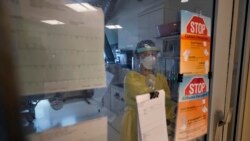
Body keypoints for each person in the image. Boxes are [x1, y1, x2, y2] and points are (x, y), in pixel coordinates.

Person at [121, 40, 176, 141]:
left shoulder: (161, 78)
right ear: (138, 57)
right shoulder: (131, 77)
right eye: (145, 55)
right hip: (134, 120)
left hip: (154, 120)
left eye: (153, 54)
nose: (151, 58)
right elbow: (144, 97)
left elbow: (167, 100)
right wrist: (159, 95)